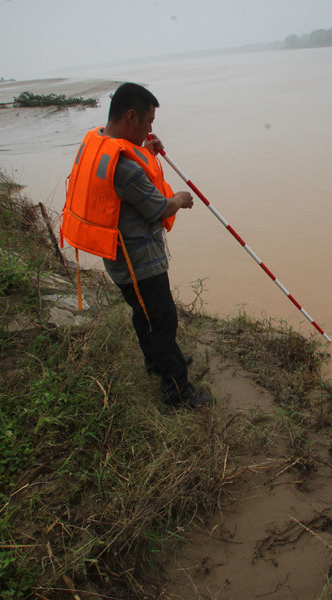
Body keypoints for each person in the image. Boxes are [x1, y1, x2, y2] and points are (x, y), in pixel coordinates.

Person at [62, 82, 211, 408]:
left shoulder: (98, 142)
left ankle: (156, 362)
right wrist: (180, 200)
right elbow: (158, 208)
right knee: (162, 320)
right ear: (131, 116)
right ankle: (177, 392)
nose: (150, 129)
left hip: (117, 259)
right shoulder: (125, 167)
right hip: (138, 262)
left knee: (144, 314)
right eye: (148, 121)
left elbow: (128, 182)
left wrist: (146, 149)